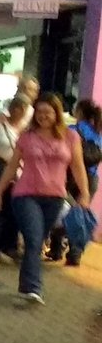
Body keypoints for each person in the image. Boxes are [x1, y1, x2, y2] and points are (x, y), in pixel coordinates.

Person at [0, 93, 93, 304]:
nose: (43, 116)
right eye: (39, 112)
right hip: (25, 194)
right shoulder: (27, 137)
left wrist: (84, 193)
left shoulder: (70, 137)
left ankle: (28, 284)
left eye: (48, 111)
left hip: (54, 197)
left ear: (57, 113)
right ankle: (31, 287)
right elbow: (12, 166)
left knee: (38, 240)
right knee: (34, 239)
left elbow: (77, 166)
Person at [0, 96, 28, 266]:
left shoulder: (22, 130)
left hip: (15, 174)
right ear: (13, 109)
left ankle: (3, 247)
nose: (21, 114)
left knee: (9, 211)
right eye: (19, 110)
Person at [63, 98, 102, 266]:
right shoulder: (97, 131)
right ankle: (76, 253)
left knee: (65, 211)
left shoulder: (72, 129)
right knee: (80, 214)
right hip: (91, 178)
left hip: (72, 176)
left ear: (79, 112)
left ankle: (57, 247)